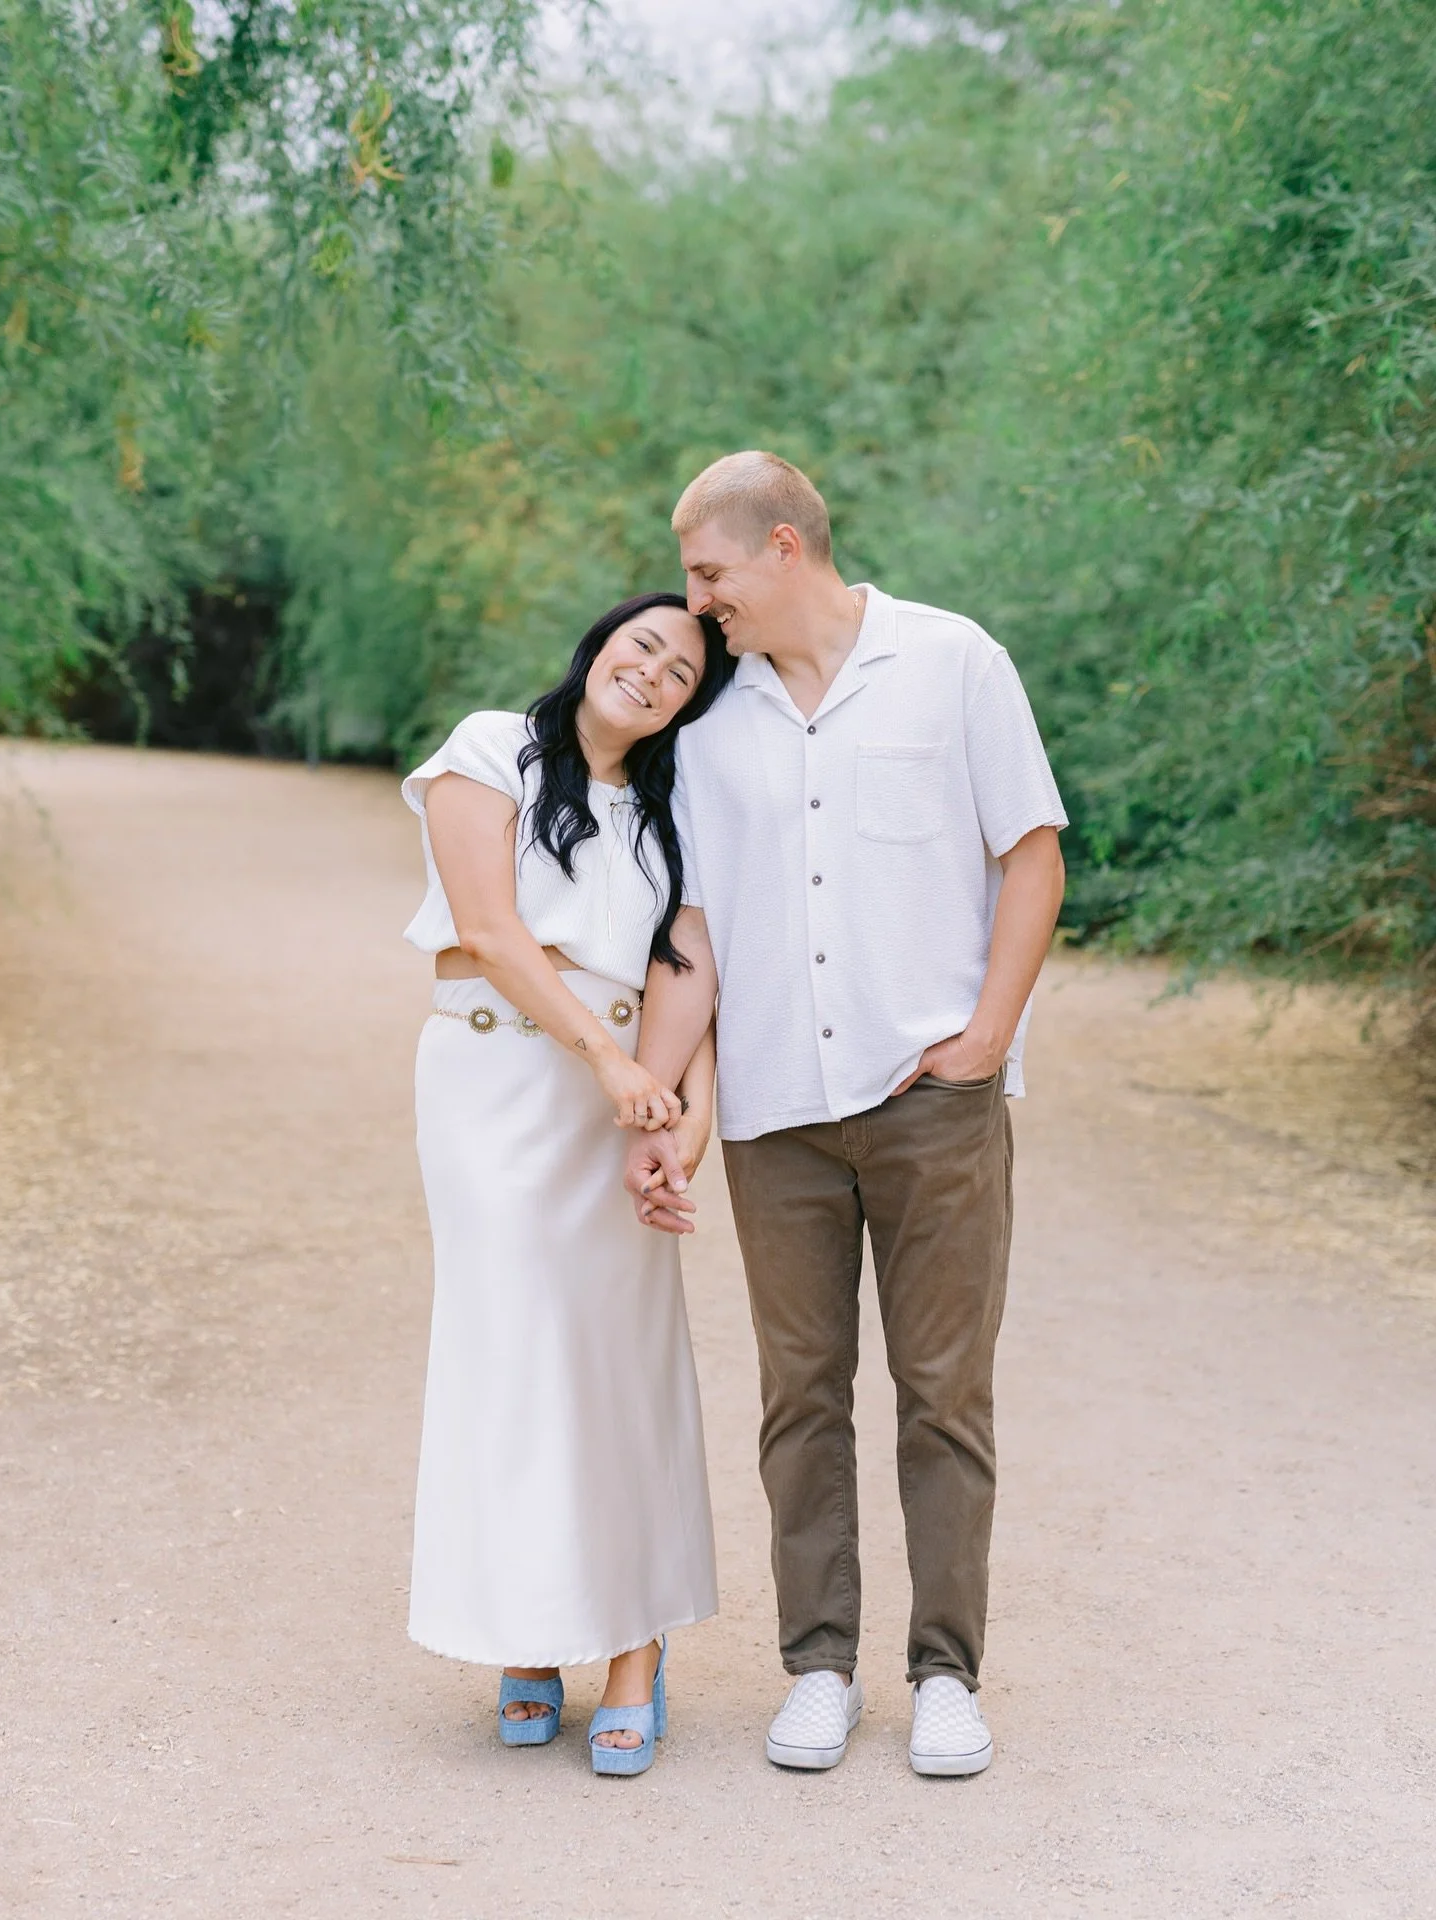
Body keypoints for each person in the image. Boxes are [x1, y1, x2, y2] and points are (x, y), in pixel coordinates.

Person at [624, 452, 1067, 1778]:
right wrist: (662, 1106)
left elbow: (1031, 851)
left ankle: (946, 1675)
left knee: (943, 1396)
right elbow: (692, 932)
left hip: (934, 1105)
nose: (697, 605)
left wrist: (987, 1036)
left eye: (708, 573)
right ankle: (818, 1667)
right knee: (799, 1399)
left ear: (781, 546)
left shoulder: (954, 663)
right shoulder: (710, 726)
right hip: (778, 1116)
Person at [401, 592, 731, 1778]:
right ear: (600, 647)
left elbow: (688, 964)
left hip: (624, 1102)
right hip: (497, 1085)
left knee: (619, 1358)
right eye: (643, 645)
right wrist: (606, 1061)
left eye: (683, 674)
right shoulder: (493, 747)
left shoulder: (670, 808)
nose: (652, 673)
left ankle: (634, 1652)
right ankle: (527, 1637)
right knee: (513, 1357)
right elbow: (488, 930)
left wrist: (681, 1114)